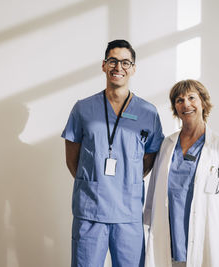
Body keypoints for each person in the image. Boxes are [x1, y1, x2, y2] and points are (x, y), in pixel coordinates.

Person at [62, 39, 164, 267]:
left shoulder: (148, 112)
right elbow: (72, 159)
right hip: (90, 212)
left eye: (126, 62)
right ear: (103, 65)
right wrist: (92, 183)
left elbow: (150, 158)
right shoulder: (83, 109)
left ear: (134, 68)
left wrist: (126, 181)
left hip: (128, 214)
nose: (119, 67)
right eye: (113, 61)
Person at [144, 80, 219, 267]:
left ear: (203, 102)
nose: (186, 104)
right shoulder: (167, 145)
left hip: (209, 243)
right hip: (168, 241)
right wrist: (147, 230)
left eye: (191, 98)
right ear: (175, 108)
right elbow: (153, 195)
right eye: (179, 100)